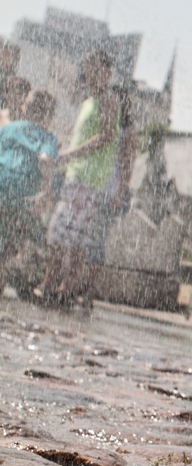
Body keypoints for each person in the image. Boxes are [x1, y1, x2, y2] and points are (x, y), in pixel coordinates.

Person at [37, 49, 119, 307]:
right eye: (87, 68)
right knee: (68, 235)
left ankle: (55, 287)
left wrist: (70, 154)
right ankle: (60, 288)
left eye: (95, 69)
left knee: (67, 235)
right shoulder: (88, 101)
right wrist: (64, 154)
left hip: (88, 179)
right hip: (77, 176)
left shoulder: (108, 100)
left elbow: (106, 136)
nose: (90, 74)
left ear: (108, 72)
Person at [0, 90, 58, 293]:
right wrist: (46, 191)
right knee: (33, 238)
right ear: (50, 115)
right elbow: (45, 160)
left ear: (25, 108)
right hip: (23, 195)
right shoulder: (48, 137)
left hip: (2, 187)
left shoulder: (8, 128)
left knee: (3, 236)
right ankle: (13, 267)